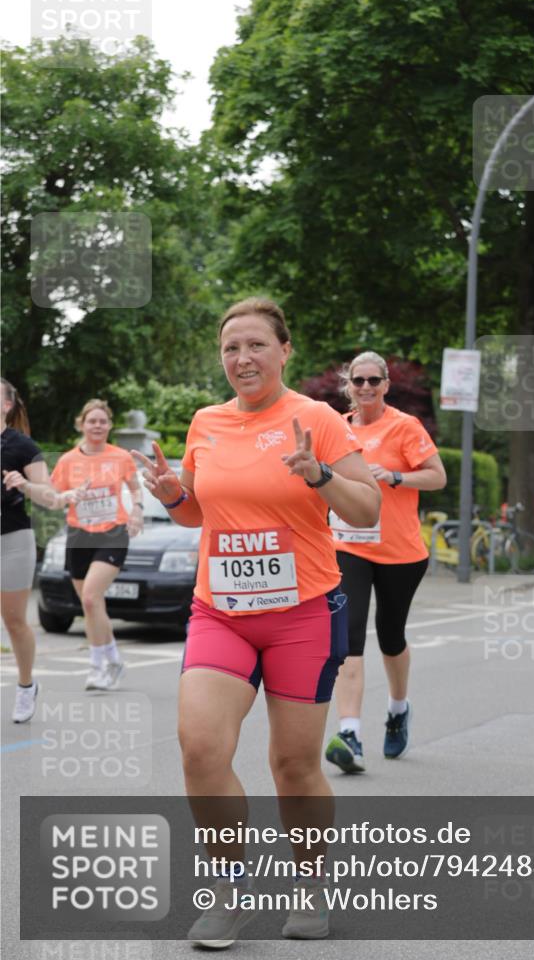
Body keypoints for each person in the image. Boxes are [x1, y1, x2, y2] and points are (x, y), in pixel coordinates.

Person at [133, 298, 380, 948]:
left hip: (302, 613)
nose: (241, 358)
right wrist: (170, 495)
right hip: (222, 612)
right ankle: (229, 891)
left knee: (293, 765)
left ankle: (308, 883)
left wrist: (320, 474)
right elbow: (195, 513)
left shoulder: (316, 419)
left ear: (283, 350)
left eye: (255, 345)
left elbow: (364, 506)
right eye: (230, 348)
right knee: (200, 748)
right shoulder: (206, 422)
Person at [324, 351, 446, 774]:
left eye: (374, 380)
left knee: (391, 636)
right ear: (349, 385)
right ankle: (350, 734)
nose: (366, 388)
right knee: (349, 634)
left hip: (401, 552)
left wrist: (396, 477)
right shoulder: (337, 428)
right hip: (348, 546)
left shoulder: (404, 426)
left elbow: (437, 475)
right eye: (358, 380)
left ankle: (397, 709)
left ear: (386, 385)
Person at [1, 380, 85, 722]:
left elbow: (50, 497)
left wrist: (25, 484)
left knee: (15, 621)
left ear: (7, 405)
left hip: (12, 542)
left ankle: (25, 686)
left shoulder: (22, 446)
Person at [50, 399, 144, 691]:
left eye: (103, 421)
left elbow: (135, 486)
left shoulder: (120, 457)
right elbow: (51, 497)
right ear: (81, 424)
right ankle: (113, 657)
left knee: (91, 597)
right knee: (91, 605)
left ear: (110, 426)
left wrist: (138, 509)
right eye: (92, 421)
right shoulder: (67, 460)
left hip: (112, 533)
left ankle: (96, 666)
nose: (98, 426)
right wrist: (68, 496)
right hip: (79, 535)